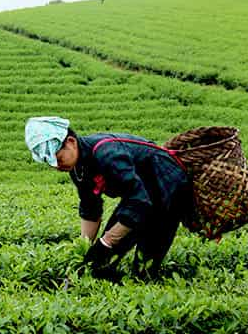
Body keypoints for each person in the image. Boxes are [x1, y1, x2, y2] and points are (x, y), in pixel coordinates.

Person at [25, 116, 193, 280]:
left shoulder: (107, 154)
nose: (57, 166)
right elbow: (91, 207)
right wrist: (85, 249)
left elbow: (139, 202)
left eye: (59, 159)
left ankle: (144, 279)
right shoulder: (77, 169)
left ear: (71, 142)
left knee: (143, 265)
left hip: (168, 186)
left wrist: (106, 242)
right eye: (51, 163)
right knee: (100, 264)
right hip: (137, 193)